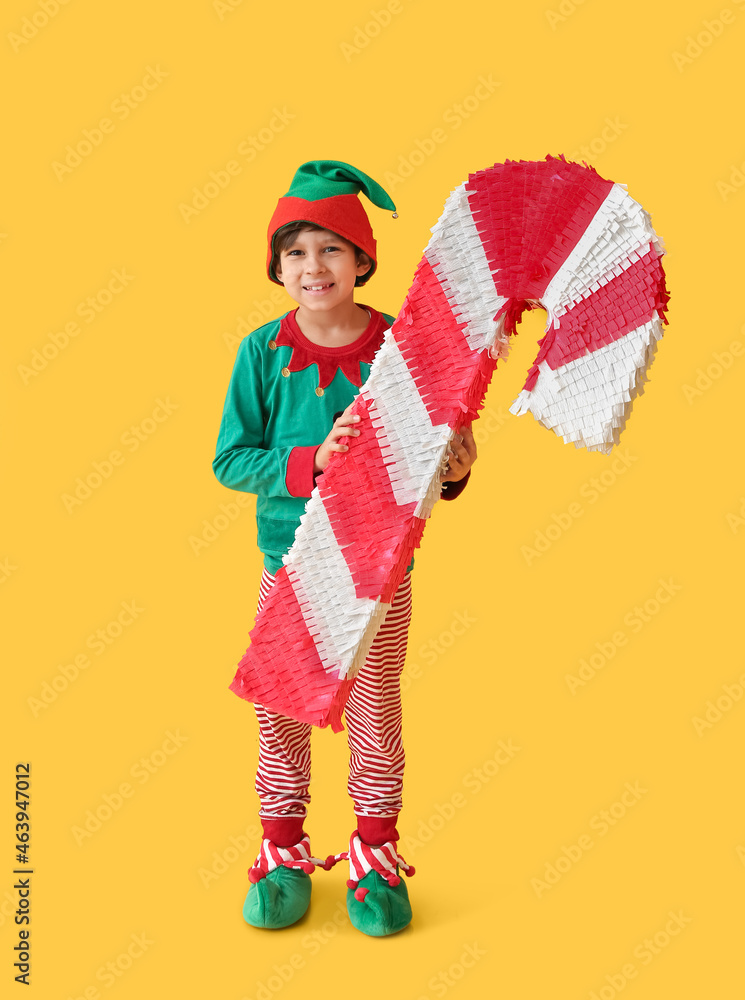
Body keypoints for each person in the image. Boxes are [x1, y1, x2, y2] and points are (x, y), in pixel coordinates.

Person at [212, 160, 476, 936]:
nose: (312, 266)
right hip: (289, 569)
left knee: (373, 709)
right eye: (294, 252)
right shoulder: (260, 352)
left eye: (330, 248)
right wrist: (312, 462)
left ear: (361, 259)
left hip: (379, 571)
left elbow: (433, 446)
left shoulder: (404, 346)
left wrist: (455, 470)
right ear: (276, 267)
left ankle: (375, 853)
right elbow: (230, 460)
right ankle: (281, 850)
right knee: (280, 710)